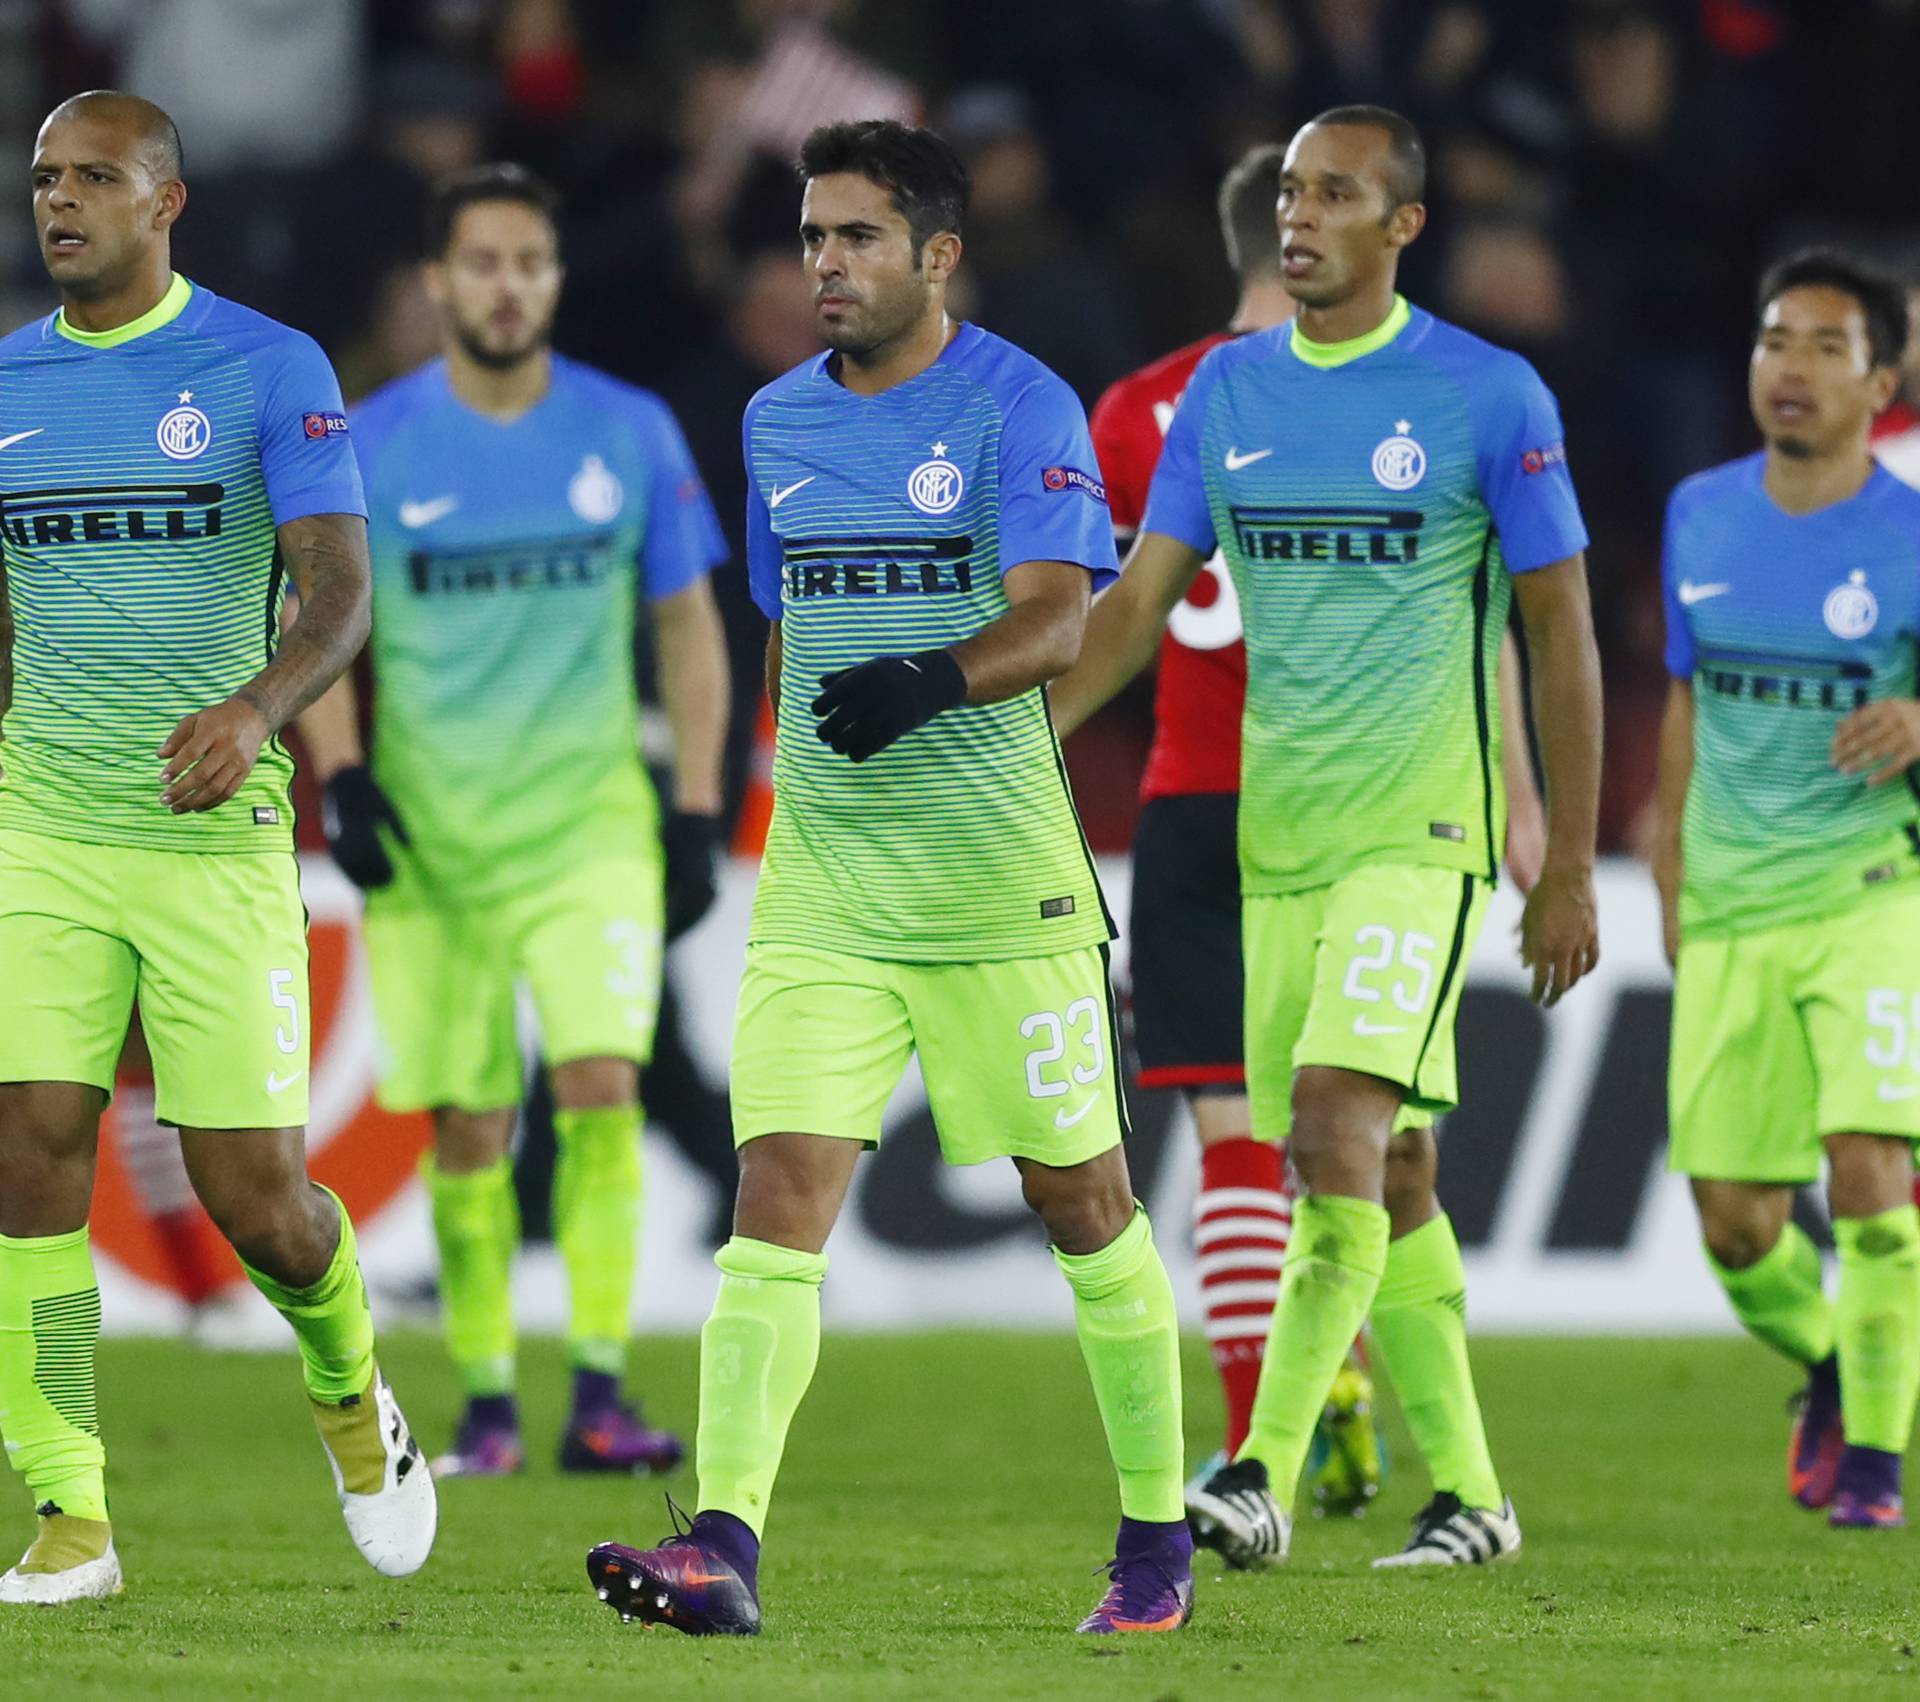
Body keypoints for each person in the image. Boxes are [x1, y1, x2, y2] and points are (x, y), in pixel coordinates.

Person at [584, 119, 1191, 1639]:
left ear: (937, 253)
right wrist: (779, 773)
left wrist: (935, 672)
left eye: (856, 238)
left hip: (1000, 890)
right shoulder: (776, 419)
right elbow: (785, 626)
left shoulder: (1017, 407)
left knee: (1085, 1204)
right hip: (830, 890)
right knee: (777, 1196)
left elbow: (1062, 617)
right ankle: (724, 1545)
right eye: (809, 239)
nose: (825, 266)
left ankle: (1157, 1539)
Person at [1051, 105, 1603, 1570]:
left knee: (1330, 1131)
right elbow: (1136, 605)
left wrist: (1570, 862)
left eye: (1337, 193)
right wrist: (1017, 743)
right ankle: (1475, 1493)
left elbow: (1563, 636)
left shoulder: (1490, 395)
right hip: (1274, 839)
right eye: (1290, 192)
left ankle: (1257, 1469)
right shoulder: (1229, 396)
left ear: (1404, 224)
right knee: (1391, 1171)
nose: (1301, 216)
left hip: (1421, 831)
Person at [0, 91, 434, 1604]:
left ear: (165, 201)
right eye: (46, 178)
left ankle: (352, 1396)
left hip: (208, 836)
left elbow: (338, 592)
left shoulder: (265, 367)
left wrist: (259, 709)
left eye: (95, 179)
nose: (61, 203)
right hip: (41, 824)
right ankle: (72, 1516)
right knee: (26, 1149)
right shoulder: (5, 382)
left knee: (262, 1199)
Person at [297, 164, 731, 1477]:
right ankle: (487, 1399)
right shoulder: (372, 438)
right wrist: (344, 774)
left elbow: (688, 626)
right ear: (438, 281)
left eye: (529, 262)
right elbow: (308, 620)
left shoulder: (629, 428)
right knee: (473, 1122)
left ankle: (596, 1390)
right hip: (435, 841)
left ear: (554, 276)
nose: (505, 285)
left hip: (590, 826)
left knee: (602, 1084)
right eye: (480, 263)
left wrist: (698, 807)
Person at [1652, 251, 1920, 1530]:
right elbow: (1683, 699)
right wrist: (1666, 874)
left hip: (1872, 892)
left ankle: (1876, 1459)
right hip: (1732, 906)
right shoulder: (1698, 511)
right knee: (1739, 1229)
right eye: (1775, 341)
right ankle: (1831, 1358)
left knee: (1870, 1169)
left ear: (1884, 378)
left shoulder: (1913, 535)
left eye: (1824, 346)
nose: (1792, 368)